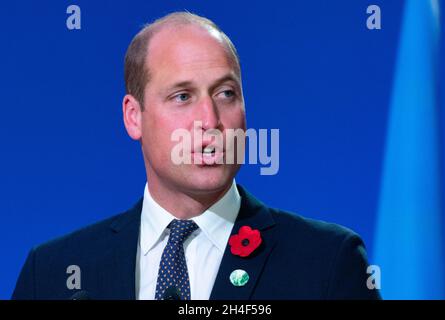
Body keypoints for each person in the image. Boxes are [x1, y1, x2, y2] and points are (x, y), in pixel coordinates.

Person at [12, 12, 381, 300]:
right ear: (133, 116)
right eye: (182, 97)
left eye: (225, 93)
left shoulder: (327, 263)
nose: (210, 121)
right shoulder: (53, 273)